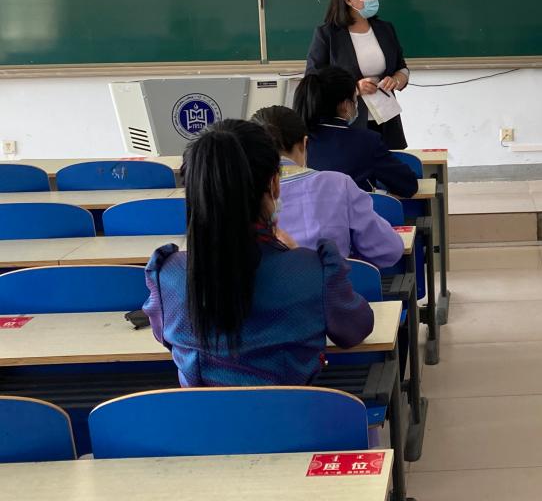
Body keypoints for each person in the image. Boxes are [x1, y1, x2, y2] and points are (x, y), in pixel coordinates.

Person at [142, 119, 373, 387]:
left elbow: (163, 336)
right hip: (294, 414)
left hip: (201, 415)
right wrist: (298, 254)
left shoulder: (167, 275)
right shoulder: (316, 272)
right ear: (274, 183)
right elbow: (355, 329)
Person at [252, 105, 404, 269]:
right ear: (304, 144)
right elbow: (389, 250)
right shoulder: (338, 184)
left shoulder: (241, 192)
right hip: (333, 282)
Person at [306, 0, 410, 150]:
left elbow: (401, 67)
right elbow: (313, 78)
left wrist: (397, 79)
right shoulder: (328, 34)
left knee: (388, 163)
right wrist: (354, 88)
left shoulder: (385, 29)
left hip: (386, 119)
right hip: (346, 120)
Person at [293, 65, 419, 199]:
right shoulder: (366, 141)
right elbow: (408, 185)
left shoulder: (294, 141)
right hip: (351, 212)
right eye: (355, 97)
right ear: (346, 105)